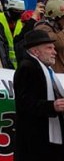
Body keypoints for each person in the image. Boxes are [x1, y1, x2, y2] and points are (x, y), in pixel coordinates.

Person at [13, 29, 64, 159]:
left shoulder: (45, 69)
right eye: (49, 48)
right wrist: (52, 106)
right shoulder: (27, 68)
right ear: (36, 51)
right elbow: (25, 103)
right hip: (34, 141)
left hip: (45, 138)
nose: (54, 52)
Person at [35, 0, 64, 72]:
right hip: (53, 73)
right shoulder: (42, 28)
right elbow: (59, 43)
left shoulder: (58, 28)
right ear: (56, 17)